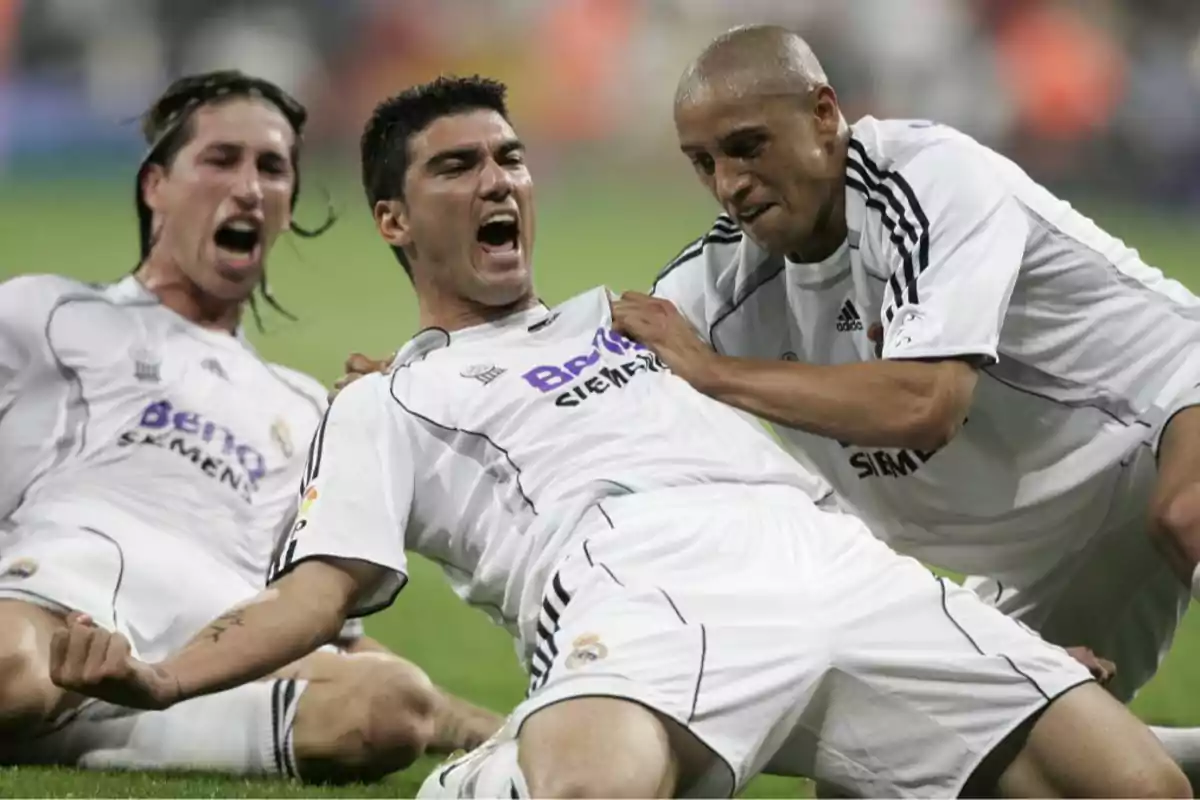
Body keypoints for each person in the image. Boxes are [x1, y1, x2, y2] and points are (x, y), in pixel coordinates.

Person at [45, 74, 1191, 800]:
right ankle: (515, 770)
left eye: (509, 157)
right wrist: (162, 676)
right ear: (394, 218)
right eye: (458, 166)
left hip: (840, 566)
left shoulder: (650, 318)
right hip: (639, 582)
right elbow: (314, 593)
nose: (499, 180)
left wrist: (1001, 639)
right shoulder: (386, 402)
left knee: (1136, 785)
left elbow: (853, 356)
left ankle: (508, 773)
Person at [609, 22, 1200, 777]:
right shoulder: (722, 284)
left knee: (1189, 511)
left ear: (824, 115)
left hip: (1170, 399)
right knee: (926, 766)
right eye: (704, 163)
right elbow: (597, 368)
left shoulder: (929, 177)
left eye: (748, 146)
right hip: (1050, 541)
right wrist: (431, 373)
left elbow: (926, 402)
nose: (729, 185)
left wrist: (715, 374)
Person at [0, 69, 497, 782]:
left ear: (289, 201)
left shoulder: (310, 409)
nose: (249, 187)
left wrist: (508, 729)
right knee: (13, 669)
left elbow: (329, 629)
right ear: (155, 187)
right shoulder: (49, 316)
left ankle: (70, 722)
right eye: (220, 159)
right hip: (64, 606)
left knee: (390, 707)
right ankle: (63, 707)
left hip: (214, 657)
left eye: (272, 168)